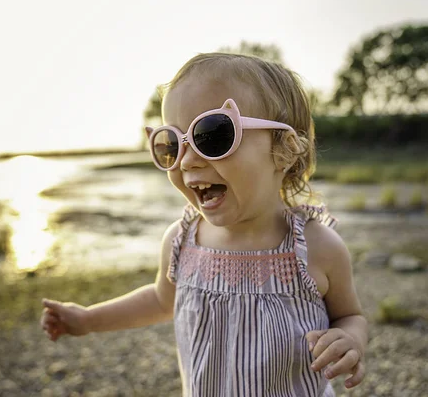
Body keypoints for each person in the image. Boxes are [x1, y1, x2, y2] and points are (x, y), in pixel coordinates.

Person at [40, 52, 368, 396]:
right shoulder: (181, 241)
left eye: (213, 135)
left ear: (284, 149)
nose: (188, 161)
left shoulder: (317, 248)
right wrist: (89, 319)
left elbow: (351, 315)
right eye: (171, 145)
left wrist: (350, 338)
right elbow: (160, 301)